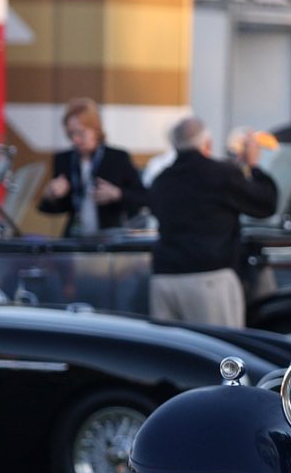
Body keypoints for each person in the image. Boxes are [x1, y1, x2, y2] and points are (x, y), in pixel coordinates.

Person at [148, 116, 278, 327]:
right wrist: (254, 165)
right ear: (206, 143)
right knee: (220, 353)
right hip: (209, 276)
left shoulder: (161, 180)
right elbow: (265, 204)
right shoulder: (221, 174)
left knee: (170, 355)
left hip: (164, 278)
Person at [37, 97, 147, 236]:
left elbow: (142, 198)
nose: (76, 139)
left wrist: (117, 194)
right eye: (71, 134)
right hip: (75, 238)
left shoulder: (117, 158)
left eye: (81, 133)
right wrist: (51, 195)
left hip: (110, 237)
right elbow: (53, 209)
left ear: (96, 129)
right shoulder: (64, 160)